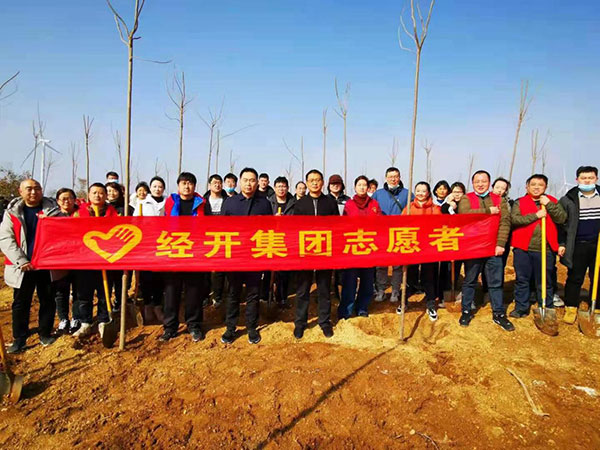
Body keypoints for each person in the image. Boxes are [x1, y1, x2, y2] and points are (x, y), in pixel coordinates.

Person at [0, 179, 57, 353]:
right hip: (23, 266)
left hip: (46, 265)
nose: (33, 192)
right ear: (20, 191)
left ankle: (45, 333)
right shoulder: (12, 213)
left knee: (47, 300)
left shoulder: (54, 211)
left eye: (37, 188)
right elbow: (6, 239)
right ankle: (19, 338)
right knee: (21, 303)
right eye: (29, 189)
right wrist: (21, 260)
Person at [457, 170, 514, 331]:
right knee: (470, 280)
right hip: (473, 248)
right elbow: (465, 215)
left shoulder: (499, 199)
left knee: (495, 282)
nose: (480, 184)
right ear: (472, 183)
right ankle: (466, 310)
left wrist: (501, 244)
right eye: (477, 181)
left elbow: (505, 222)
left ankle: (498, 313)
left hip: (493, 248)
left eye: (484, 181)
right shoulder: (466, 198)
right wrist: (488, 211)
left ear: (489, 183)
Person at [221, 168, 272, 344]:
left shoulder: (264, 204)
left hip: (255, 256)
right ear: (240, 182)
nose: (249, 183)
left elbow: (269, 230)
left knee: (253, 294)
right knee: (233, 293)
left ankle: (252, 328)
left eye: (252, 180)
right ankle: (230, 328)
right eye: (245, 180)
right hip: (235, 256)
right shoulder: (230, 203)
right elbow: (221, 230)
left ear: (257, 183)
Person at [160, 172, 208, 342]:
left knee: (194, 291)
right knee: (171, 292)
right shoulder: (170, 203)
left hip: (195, 254)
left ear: (194, 186)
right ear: (178, 186)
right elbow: (161, 225)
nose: (187, 186)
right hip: (174, 253)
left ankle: (194, 325)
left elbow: (209, 227)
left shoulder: (202, 204)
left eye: (190, 183)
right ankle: (170, 327)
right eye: (184, 183)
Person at [510, 174, 566, 317]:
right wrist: (536, 215)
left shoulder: (552, 201)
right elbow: (515, 220)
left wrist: (549, 205)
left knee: (545, 280)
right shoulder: (519, 202)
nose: (536, 187)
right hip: (523, 248)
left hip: (545, 249)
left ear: (545, 187)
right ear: (527, 187)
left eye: (540, 185)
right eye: (533, 184)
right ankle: (521, 308)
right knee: (522, 279)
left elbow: (561, 218)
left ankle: (546, 306)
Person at [293, 169, 339, 339]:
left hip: (325, 251)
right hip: (305, 252)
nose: (314, 183)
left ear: (322, 182)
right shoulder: (300, 204)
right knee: (303, 289)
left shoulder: (330, 203)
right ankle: (300, 323)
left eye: (318, 180)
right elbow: (295, 228)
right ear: (307, 183)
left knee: (324, 289)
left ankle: (324, 322)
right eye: (311, 180)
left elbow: (337, 226)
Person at [73, 183, 119, 338]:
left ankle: (103, 320)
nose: (97, 196)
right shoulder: (79, 214)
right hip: (85, 261)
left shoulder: (113, 214)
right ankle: (85, 322)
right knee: (84, 293)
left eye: (101, 193)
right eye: (94, 193)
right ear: (88, 195)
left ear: (105, 196)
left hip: (106, 261)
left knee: (104, 292)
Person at [558, 165, 600, 324]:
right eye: (583, 178)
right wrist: (562, 243)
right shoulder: (568, 199)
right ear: (577, 179)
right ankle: (571, 306)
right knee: (575, 276)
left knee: (598, 276)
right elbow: (561, 224)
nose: (587, 181)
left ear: (596, 178)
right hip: (578, 244)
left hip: (598, 244)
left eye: (590, 178)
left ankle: (597, 307)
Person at [338, 175, 382, 319]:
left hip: (369, 247)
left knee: (367, 281)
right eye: (359, 185)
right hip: (353, 247)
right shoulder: (349, 204)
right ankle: (346, 310)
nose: (362, 188)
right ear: (355, 187)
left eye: (364, 185)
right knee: (350, 281)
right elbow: (344, 224)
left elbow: (380, 223)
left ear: (368, 188)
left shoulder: (374, 204)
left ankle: (362, 307)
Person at [372, 167, 414, 303]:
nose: (393, 179)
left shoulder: (407, 194)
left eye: (396, 176)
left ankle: (395, 291)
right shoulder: (378, 194)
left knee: (397, 265)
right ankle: (381, 290)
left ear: (399, 178)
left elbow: (414, 210)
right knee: (381, 264)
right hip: (382, 234)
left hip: (399, 234)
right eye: (390, 176)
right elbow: (371, 212)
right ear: (386, 178)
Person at [401, 182, 442, 321]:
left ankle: (430, 304)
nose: (420, 193)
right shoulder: (408, 208)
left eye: (423, 191)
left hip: (428, 249)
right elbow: (400, 225)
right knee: (409, 276)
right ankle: (404, 302)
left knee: (428, 277)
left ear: (428, 193)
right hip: (412, 247)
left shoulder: (434, 209)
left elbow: (438, 226)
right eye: (418, 190)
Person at [47, 188, 81, 335]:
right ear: (58, 201)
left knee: (78, 290)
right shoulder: (51, 217)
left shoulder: (83, 215)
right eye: (63, 199)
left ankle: (76, 318)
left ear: (75, 200)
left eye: (70, 198)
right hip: (59, 259)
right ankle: (63, 319)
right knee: (61, 291)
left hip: (79, 258)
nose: (66, 201)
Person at [136, 177, 166, 323]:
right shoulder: (142, 204)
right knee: (146, 277)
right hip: (146, 245)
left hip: (163, 243)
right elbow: (135, 223)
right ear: (150, 188)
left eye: (160, 187)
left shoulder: (168, 203)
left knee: (160, 277)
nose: (157, 189)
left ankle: (158, 305)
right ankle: (148, 305)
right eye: (154, 186)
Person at [268, 176, 296, 308]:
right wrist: (272, 219)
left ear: (288, 188)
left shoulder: (293, 203)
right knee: (271, 271)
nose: (281, 189)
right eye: (279, 186)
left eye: (284, 186)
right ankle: (268, 297)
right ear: (274, 188)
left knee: (285, 271)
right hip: (271, 239)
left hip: (287, 240)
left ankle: (283, 298)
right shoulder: (268, 202)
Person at [204, 174, 229, 307]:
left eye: (219, 183)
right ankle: (205, 296)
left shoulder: (228, 201)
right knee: (205, 269)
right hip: (206, 238)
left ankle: (218, 297)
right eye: (214, 183)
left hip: (223, 238)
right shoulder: (202, 201)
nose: (217, 185)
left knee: (220, 269)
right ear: (209, 185)